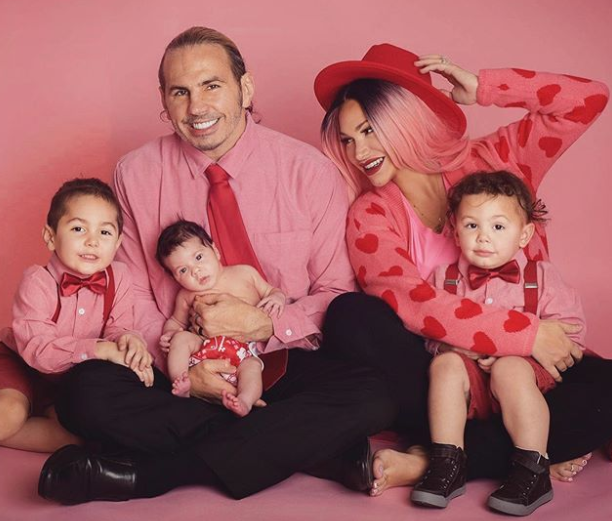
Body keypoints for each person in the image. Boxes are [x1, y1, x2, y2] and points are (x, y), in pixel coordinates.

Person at [38, 27, 394, 504]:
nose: (196, 107)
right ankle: (310, 449)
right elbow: (133, 294)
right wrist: (179, 366)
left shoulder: (309, 171)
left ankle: (155, 473)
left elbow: (335, 293)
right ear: (163, 100)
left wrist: (264, 323)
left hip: (282, 363)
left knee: (375, 393)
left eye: (212, 86)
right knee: (85, 392)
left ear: (245, 88)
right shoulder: (136, 173)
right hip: (181, 370)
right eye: (180, 92)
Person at [315, 43, 611, 496]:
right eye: (349, 139)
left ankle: (435, 461)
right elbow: (416, 305)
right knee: (350, 315)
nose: (358, 151)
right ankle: (533, 451)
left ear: (404, 118)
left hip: (532, 373)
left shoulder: (496, 161)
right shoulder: (370, 214)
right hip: (444, 379)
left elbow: (588, 99)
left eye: (369, 130)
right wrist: (527, 332)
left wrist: (486, 88)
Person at [410, 171, 585, 515]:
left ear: (525, 234)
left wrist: (511, 345)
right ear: (455, 230)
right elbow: (427, 333)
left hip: (525, 380)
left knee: (510, 367)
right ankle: (448, 461)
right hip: (470, 382)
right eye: (472, 225)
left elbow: (570, 333)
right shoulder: (443, 280)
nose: (483, 238)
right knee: (443, 364)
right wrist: (454, 347)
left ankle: (533, 467)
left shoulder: (542, 277)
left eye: (498, 227)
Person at [0, 178, 153, 453]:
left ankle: (23, 420)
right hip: (21, 362)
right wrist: (101, 350)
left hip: (64, 380)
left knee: (75, 437)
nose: (92, 241)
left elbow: (118, 328)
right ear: (50, 236)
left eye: (105, 233)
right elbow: (38, 349)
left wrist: (131, 341)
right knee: (9, 414)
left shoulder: (120, 277)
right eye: (79, 228)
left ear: (118, 243)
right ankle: (14, 410)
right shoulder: (38, 281)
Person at [156, 220, 284, 416]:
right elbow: (176, 322)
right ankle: (182, 382)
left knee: (252, 368)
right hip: (204, 351)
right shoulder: (186, 296)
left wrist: (277, 297)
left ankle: (245, 400)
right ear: (175, 278)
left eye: (199, 257)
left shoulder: (245, 274)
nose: (195, 270)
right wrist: (169, 335)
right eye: (183, 270)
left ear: (215, 251)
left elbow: (272, 291)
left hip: (244, 352)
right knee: (181, 339)